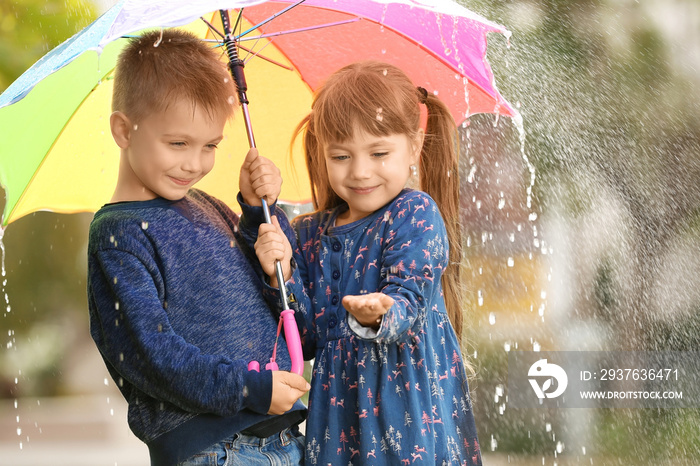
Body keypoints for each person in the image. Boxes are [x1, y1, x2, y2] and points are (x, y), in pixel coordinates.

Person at [86, 29, 309, 466]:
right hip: (216, 451)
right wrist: (249, 390)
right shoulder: (119, 236)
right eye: (178, 144)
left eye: (210, 146)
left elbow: (278, 311)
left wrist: (256, 215)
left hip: (283, 441)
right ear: (123, 130)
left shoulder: (209, 207)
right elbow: (152, 357)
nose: (195, 163)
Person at [255, 61, 482, 465]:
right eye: (341, 155)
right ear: (321, 152)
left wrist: (380, 314)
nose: (360, 171)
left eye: (379, 153)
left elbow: (408, 301)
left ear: (414, 146)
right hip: (337, 426)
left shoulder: (414, 214)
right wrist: (283, 270)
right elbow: (304, 338)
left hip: (408, 418)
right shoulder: (308, 234)